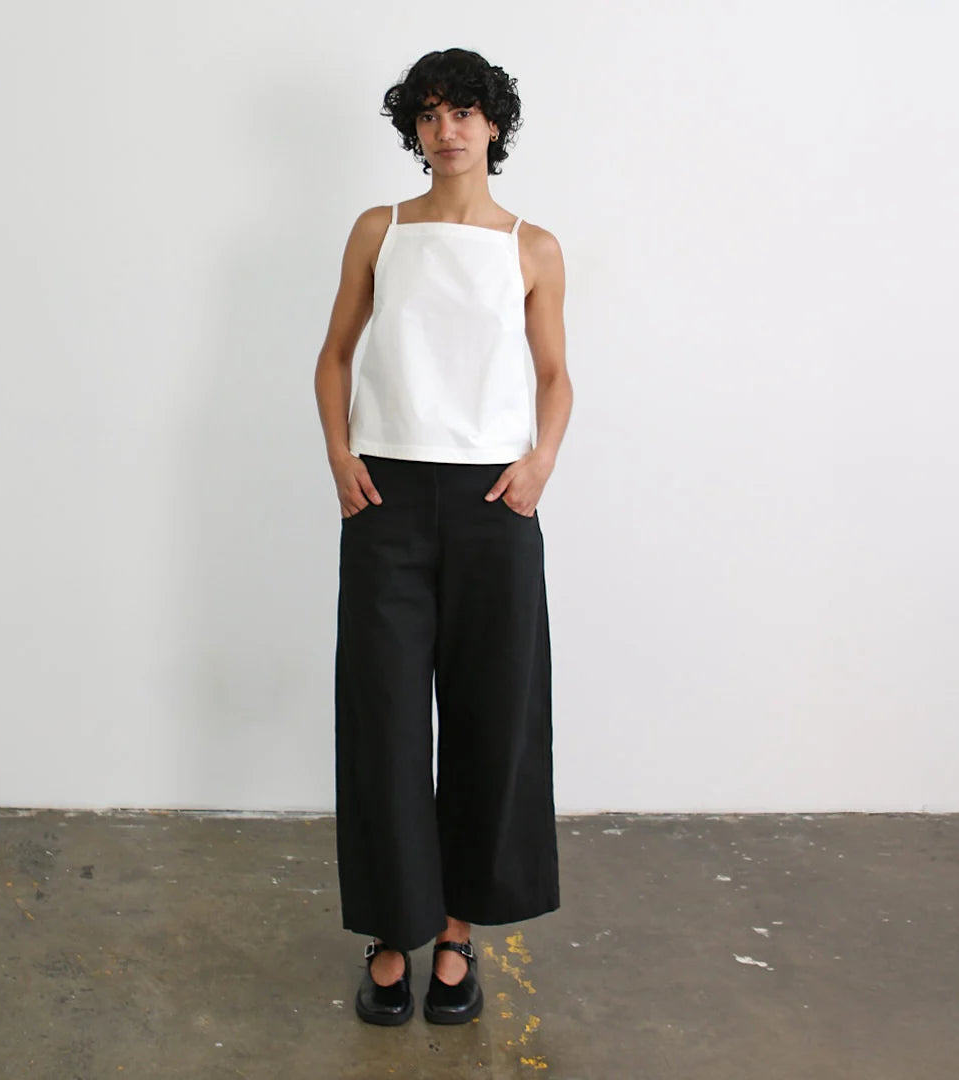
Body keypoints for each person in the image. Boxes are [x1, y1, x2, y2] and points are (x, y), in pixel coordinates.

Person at [313, 47, 572, 1027]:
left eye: (463, 112)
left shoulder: (531, 247)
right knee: (382, 719)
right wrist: (340, 456)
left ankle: (457, 929)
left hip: (494, 504)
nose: (446, 130)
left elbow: (556, 376)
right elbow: (335, 356)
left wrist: (541, 462)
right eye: (428, 114)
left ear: (493, 124)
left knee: (490, 716)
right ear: (413, 130)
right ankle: (394, 929)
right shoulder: (380, 229)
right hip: (386, 497)